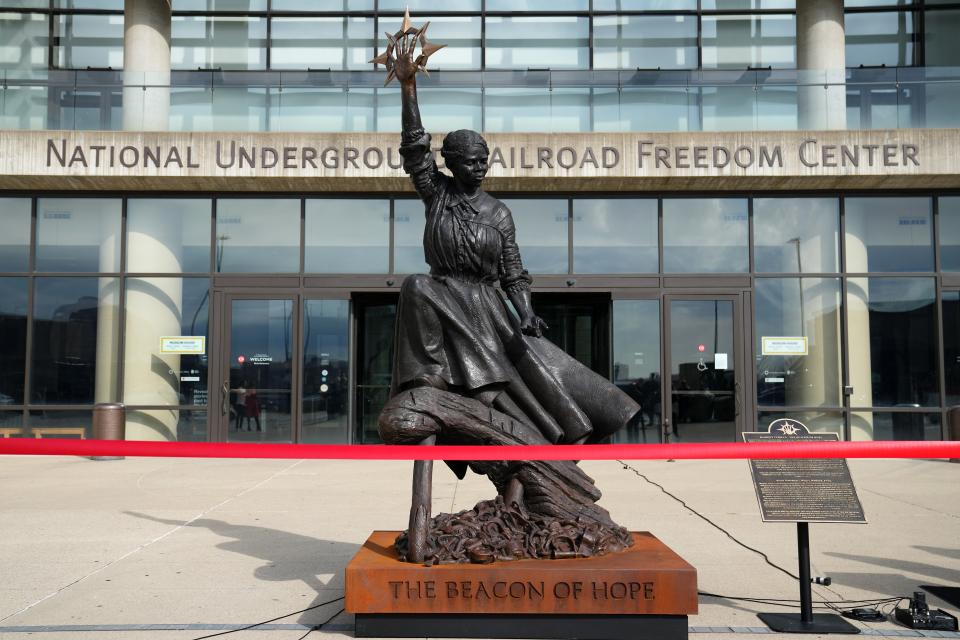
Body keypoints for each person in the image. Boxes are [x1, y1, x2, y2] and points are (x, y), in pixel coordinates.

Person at [388, 36, 641, 456]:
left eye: (484, 159)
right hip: (445, 292)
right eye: (471, 160)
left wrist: (526, 312)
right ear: (451, 162)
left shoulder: (498, 212)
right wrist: (408, 88)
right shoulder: (438, 193)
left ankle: (542, 439)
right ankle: (429, 378)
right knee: (417, 285)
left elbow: (513, 270)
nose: (480, 167)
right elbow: (415, 149)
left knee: (529, 388)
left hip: (485, 308)